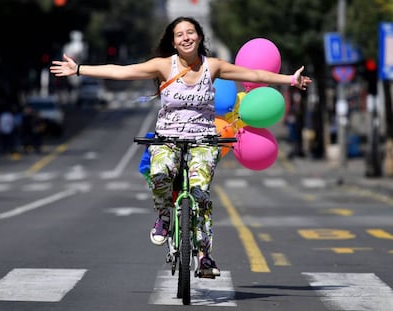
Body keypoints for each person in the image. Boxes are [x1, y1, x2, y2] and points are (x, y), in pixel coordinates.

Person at [50, 16, 312, 277]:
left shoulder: (214, 66)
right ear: (174, 42)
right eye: (179, 34)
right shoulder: (164, 66)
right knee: (160, 172)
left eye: (190, 32)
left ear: (199, 37)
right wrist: (80, 69)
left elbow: (254, 74)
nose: (186, 37)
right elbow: (122, 71)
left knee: (200, 193)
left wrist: (289, 79)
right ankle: (164, 216)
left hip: (203, 140)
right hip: (167, 137)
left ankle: (205, 256)